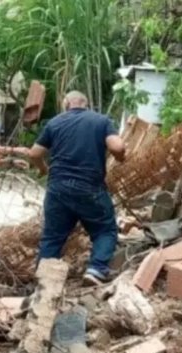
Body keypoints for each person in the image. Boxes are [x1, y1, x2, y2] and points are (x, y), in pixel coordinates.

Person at [29, 91, 126, 286]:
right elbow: (117, 147)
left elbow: (34, 153)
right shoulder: (101, 121)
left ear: (67, 104)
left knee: (53, 237)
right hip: (89, 187)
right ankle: (96, 269)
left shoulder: (54, 123)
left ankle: (43, 282)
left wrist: (43, 169)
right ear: (86, 104)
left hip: (57, 188)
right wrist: (121, 158)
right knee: (105, 230)